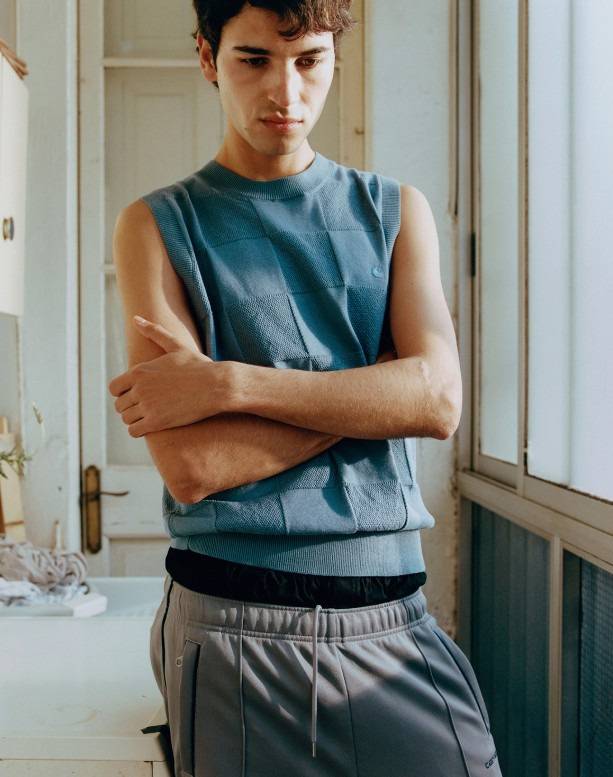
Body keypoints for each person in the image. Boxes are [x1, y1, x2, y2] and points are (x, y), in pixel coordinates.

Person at [108, 1, 501, 775]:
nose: (284, 92)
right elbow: (195, 466)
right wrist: (377, 389)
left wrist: (230, 382)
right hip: (230, 624)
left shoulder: (395, 211)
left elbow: (436, 403)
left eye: (309, 60)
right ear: (207, 56)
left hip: (395, 617)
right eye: (253, 59)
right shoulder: (155, 225)